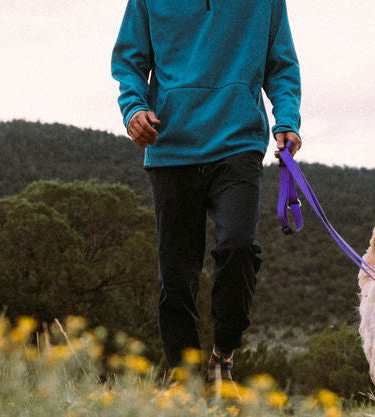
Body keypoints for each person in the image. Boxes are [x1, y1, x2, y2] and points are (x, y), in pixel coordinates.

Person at [112, 0, 302, 384]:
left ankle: (223, 354)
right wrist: (133, 108)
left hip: (238, 141)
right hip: (170, 145)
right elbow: (130, 60)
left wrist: (287, 118)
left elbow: (280, 64)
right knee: (177, 276)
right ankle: (183, 380)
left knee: (237, 247)